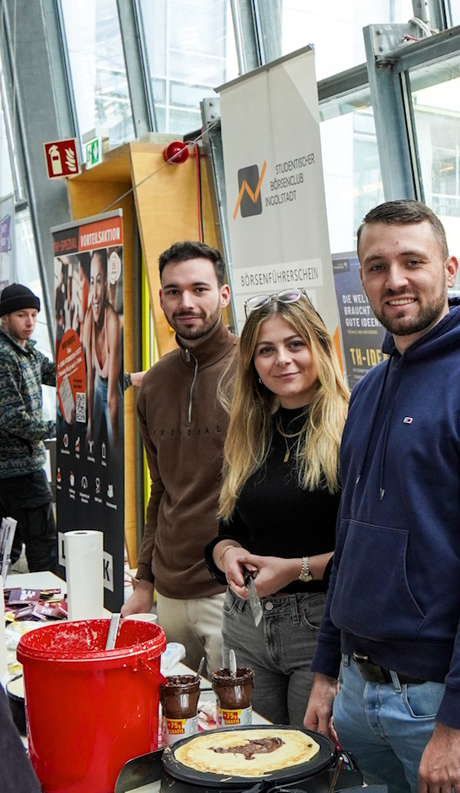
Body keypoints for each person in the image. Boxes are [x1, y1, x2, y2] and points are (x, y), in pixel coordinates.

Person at [304, 200, 460, 793]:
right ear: (361, 278)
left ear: (449, 268)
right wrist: (328, 668)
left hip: (441, 701)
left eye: (413, 261)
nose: (395, 279)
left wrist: (457, 722)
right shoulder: (370, 388)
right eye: (377, 265)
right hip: (359, 690)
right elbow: (349, 537)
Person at [204, 289, 348, 725]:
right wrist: (226, 554)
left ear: (320, 348)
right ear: (252, 363)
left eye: (295, 344)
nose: (281, 359)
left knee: (309, 767)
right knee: (249, 756)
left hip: (321, 628)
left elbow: (369, 552)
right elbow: (227, 530)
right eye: (266, 350)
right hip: (245, 623)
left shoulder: (354, 428)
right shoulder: (248, 434)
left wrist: (296, 568)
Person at [121, 241, 236, 675]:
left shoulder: (255, 371)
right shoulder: (153, 385)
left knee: (238, 733)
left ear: (223, 295)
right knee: (172, 726)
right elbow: (161, 490)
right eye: (172, 291)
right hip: (168, 594)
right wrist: (144, 581)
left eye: (199, 289)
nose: (185, 302)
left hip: (232, 592)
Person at [0, 284, 57, 572]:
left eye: (33, 314)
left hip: (16, 471)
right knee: (42, 547)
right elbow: (10, 418)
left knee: (5, 551)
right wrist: (58, 429)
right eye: (22, 315)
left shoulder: (27, 352)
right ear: (4, 317)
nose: (30, 322)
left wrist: (127, 379)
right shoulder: (2, 357)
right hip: (17, 473)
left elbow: (62, 375)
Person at [81, 249, 122, 454]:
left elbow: (112, 396)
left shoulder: (112, 321)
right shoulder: (89, 318)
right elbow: (89, 375)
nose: (95, 293)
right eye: (92, 281)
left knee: (114, 447)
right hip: (96, 386)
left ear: (106, 284)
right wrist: (89, 423)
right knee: (89, 437)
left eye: (99, 281)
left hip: (112, 391)